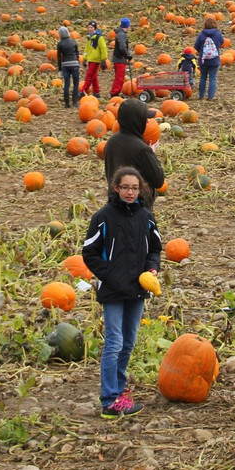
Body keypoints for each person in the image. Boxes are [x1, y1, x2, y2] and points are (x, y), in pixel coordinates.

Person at [81, 166, 162, 419]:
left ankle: (118, 393)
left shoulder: (146, 217)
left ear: (141, 190)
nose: (130, 192)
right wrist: (111, 276)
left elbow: (155, 248)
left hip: (137, 289)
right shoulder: (103, 217)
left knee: (128, 343)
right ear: (116, 187)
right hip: (114, 290)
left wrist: (152, 268)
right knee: (114, 343)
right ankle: (109, 400)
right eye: (125, 187)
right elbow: (89, 253)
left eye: (134, 188)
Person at [103, 98, 165, 208]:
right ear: (137, 121)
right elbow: (158, 180)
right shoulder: (141, 149)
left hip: (115, 203)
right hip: (136, 207)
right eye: (144, 119)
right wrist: (152, 154)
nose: (147, 122)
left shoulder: (111, 142)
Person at [194, 17, 224, 101]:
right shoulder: (218, 34)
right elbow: (222, 42)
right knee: (213, 78)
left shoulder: (201, 35)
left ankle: (201, 95)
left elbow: (196, 46)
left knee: (203, 77)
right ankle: (210, 97)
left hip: (203, 60)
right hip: (214, 60)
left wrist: (201, 51)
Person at [81, 21, 108, 97]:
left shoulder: (99, 37)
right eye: (89, 27)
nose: (90, 29)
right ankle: (96, 92)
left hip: (95, 59)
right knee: (94, 77)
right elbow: (87, 50)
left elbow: (103, 49)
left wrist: (103, 59)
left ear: (95, 28)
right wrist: (84, 59)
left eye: (91, 27)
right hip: (90, 59)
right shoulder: (89, 38)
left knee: (89, 75)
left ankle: (83, 90)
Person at [56, 26, 81, 108]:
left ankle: (67, 103)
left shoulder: (60, 44)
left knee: (67, 84)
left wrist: (60, 69)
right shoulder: (73, 42)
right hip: (74, 64)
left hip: (65, 65)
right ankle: (75, 102)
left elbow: (59, 57)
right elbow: (77, 54)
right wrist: (77, 63)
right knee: (76, 83)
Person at [110, 17, 132, 97]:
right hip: (119, 58)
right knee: (119, 77)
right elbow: (122, 47)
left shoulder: (121, 34)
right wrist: (127, 55)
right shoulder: (122, 35)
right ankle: (114, 93)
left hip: (120, 58)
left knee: (120, 77)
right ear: (127, 26)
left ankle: (116, 92)